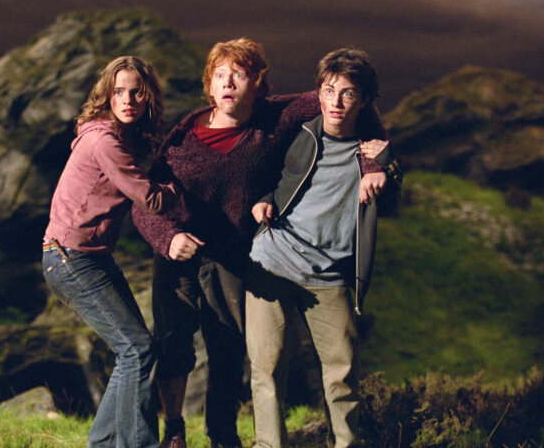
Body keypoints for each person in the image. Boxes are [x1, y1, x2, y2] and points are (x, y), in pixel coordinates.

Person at [131, 38, 387, 448]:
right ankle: (174, 430)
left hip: (234, 257)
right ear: (209, 85)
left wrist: (373, 160)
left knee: (228, 352)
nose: (228, 82)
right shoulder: (184, 138)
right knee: (174, 344)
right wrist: (168, 237)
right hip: (180, 252)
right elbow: (143, 203)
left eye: (239, 74)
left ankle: (223, 436)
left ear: (258, 83)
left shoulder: (277, 117)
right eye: (219, 75)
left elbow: (352, 102)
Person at [246, 48, 402, 448]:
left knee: (342, 371)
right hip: (274, 260)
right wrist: (264, 199)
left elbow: (394, 200)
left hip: (329, 275)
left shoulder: (372, 153)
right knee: (266, 367)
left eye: (348, 93)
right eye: (329, 91)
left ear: (364, 100)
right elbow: (266, 172)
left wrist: (384, 169)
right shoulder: (299, 133)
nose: (336, 102)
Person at [42, 56, 179, 448]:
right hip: (70, 258)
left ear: (148, 95)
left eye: (136, 92)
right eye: (119, 91)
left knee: (135, 351)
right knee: (137, 350)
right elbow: (150, 198)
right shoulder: (105, 141)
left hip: (90, 256)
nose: (128, 100)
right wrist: (185, 187)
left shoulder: (120, 138)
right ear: (107, 94)